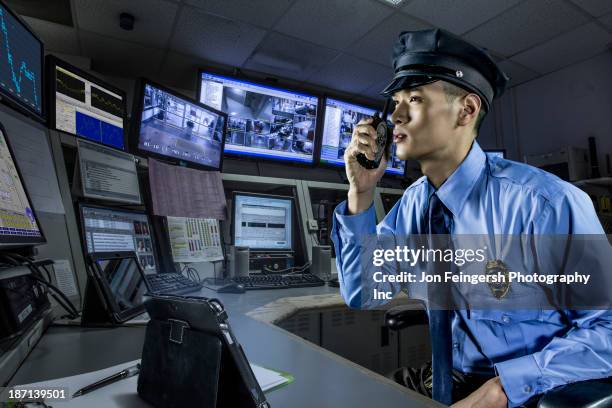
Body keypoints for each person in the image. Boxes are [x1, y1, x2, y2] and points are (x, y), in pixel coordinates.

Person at [331, 28, 612, 408]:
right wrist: (361, 193)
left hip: (530, 389)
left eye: (414, 98)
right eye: (395, 101)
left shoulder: (544, 205)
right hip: (447, 378)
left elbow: (607, 330)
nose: (395, 115)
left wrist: (504, 389)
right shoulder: (414, 205)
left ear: (466, 109)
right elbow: (365, 293)